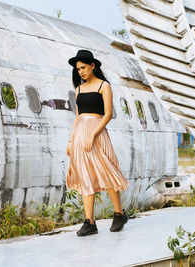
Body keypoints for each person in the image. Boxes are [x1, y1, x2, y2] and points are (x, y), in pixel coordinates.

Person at [65, 49, 130, 237]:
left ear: (93, 65)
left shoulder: (104, 86)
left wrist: (93, 135)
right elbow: (78, 117)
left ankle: (119, 214)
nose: (81, 72)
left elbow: (108, 114)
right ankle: (89, 222)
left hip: (97, 133)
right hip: (79, 135)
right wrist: (71, 140)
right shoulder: (78, 89)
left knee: (106, 171)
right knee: (84, 175)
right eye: (78, 69)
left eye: (83, 67)